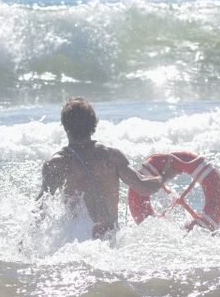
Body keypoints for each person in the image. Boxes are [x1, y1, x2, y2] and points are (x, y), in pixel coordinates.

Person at [38, 97, 181, 240]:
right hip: (108, 240)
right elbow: (143, 187)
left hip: (75, 242)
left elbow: (40, 209)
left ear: (64, 126)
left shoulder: (57, 163)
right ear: (94, 123)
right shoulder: (111, 156)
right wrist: (165, 175)